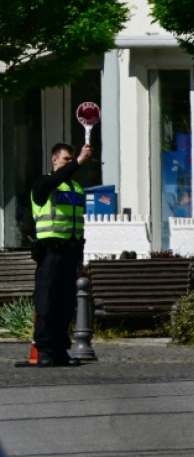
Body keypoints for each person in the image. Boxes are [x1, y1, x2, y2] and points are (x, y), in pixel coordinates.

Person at [30, 142, 92, 367]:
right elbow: (55, 180)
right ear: (54, 160)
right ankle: (45, 350)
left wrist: (80, 260)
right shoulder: (43, 183)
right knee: (47, 302)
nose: (69, 162)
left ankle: (59, 350)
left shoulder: (75, 188)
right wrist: (78, 163)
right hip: (50, 252)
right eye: (66, 159)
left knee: (65, 304)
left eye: (71, 159)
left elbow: (78, 226)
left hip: (69, 252)